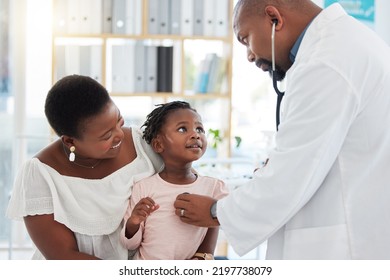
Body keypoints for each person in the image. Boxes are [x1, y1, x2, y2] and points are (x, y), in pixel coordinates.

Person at [174, 0, 390, 260]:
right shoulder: (345, 42)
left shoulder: (325, 61)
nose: (250, 55)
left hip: (345, 245)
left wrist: (215, 212)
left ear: (274, 18)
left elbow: (293, 172)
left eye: (246, 39)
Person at [5, 75, 214, 259]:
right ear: (70, 142)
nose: (119, 135)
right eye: (106, 136)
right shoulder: (40, 174)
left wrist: (202, 258)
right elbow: (63, 256)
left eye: (118, 120)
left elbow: (201, 199)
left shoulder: (145, 145)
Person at [120, 101, 229, 260]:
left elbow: (231, 223)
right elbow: (129, 244)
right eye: (182, 129)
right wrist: (133, 223)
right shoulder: (143, 188)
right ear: (158, 144)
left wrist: (204, 258)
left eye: (199, 129)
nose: (195, 134)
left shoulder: (215, 188)